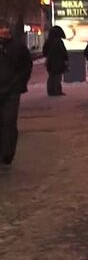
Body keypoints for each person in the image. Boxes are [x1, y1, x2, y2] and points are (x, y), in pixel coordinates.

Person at [0, 21, 33, 168]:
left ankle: (7, 152)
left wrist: (19, 84)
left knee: (9, 121)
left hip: (12, 90)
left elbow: (26, 67)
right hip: (9, 87)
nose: (4, 32)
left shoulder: (17, 48)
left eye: (5, 30)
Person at [44, 26, 68, 97]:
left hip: (50, 62)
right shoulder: (59, 41)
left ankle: (50, 91)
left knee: (51, 76)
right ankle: (57, 91)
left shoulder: (48, 41)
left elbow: (44, 52)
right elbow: (63, 52)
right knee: (58, 76)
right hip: (59, 62)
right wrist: (66, 60)